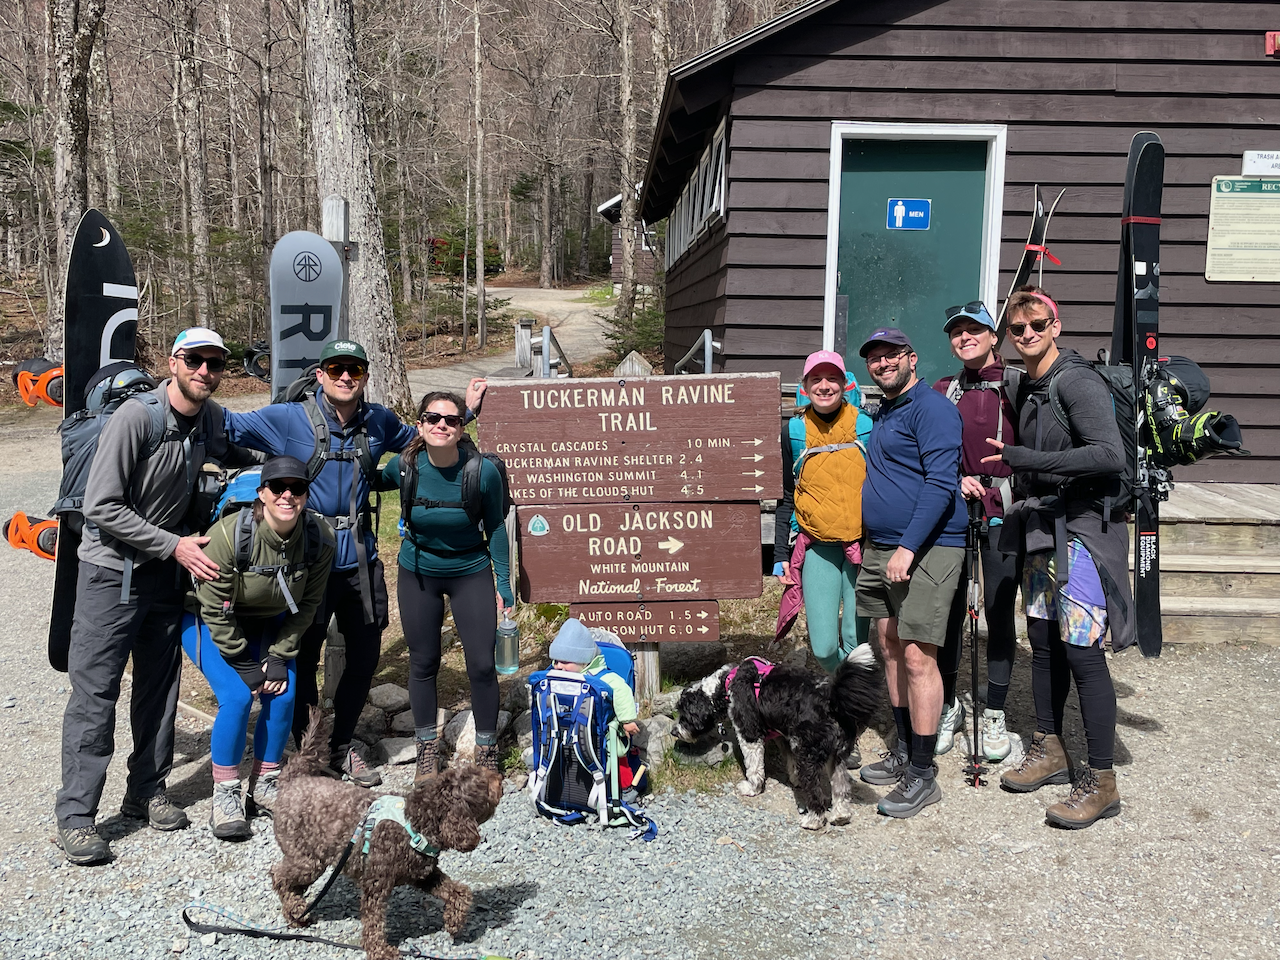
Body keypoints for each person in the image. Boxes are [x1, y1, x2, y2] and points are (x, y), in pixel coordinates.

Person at [222, 339, 485, 788]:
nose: (346, 376)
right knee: (302, 659)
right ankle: (308, 746)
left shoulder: (378, 420)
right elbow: (228, 426)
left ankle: (341, 746)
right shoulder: (289, 418)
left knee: (364, 657)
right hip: (305, 562)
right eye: (337, 368)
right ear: (321, 374)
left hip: (359, 560)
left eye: (355, 369)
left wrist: (469, 412)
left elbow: (429, 435)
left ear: (364, 375)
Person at [56, 328, 250, 865]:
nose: (205, 370)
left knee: (159, 690)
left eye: (215, 361)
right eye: (195, 360)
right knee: (96, 693)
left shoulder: (209, 418)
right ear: (173, 363)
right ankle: (76, 816)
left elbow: (245, 447)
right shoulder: (136, 418)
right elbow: (101, 505)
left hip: (165, 572)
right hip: (110, 573)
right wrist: (174, 546)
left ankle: (146, 790)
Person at [982, 286, 1135, 829]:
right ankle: (1049, 748)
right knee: (1044, 646)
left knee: (1083, 655)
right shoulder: (1030, 384)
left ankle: (1100, 782)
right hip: (1043, 530)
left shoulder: (1075, 380)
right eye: (1017, 328)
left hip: (1083, 536)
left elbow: (1108, 454)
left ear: (1056, 325)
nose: (1026, 335)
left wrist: (1028, 458)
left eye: (1036, 325)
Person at [181, 456, 335, 839]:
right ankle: (227, 792)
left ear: (306, 494)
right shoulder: (228, 537)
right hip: (209, 621)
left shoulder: (320, 538)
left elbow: (309, 605)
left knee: (283, 695)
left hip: (271, 623)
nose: (287, 495)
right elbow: (214, 610)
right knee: (236, 696)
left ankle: (265, 782)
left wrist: (280, 656)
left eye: (296, 488)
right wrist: (246, 664)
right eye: (277, 488)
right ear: (262, 494)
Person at [854, 327, 967, 819]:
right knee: (890, 646)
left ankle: (923, 774)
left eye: (890, 355)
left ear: (912, 357)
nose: (882, 364)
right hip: (882, 548)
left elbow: (941, 483)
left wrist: (907, 547)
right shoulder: (886, 410)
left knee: (920, 656)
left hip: (927, 549)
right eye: (874, 358)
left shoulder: (933, 408)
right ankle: (903, 748)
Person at [380, 390, 512, 780]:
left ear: (461, 426)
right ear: (419, 425)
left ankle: (486, 750)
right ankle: (426, 751)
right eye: (432, 418)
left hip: (470, 569)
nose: (441, 425)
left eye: (451, 420)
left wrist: (503, 582)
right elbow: (365, 480)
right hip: (418, 570)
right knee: (423, 662)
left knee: (483, 664)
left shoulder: (482, 471)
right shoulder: (405, 467)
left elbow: (497, 527)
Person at [933, 302, 1023, 761]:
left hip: (1003, 511)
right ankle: (948, 706)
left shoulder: (1017, 385)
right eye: (957, 333)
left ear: (993, 335)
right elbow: (927, 450)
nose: (965, 338)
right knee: (948, 613)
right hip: (954, 511)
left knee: (998, 610)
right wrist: (952, 479)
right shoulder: (943, 390)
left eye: (974, 330)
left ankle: (995, 713)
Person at [773, 350, 871, 675]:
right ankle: (850, 684)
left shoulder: (867, 426)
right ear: (805, 385)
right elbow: (787, 495)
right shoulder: (794, 431)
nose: (824, 386)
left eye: (832, 379)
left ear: (845, 384)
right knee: (825, 647)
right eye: (816, 379)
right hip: (818, 548)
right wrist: (779, 554)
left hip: (863, 547)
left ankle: (851, 703)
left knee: (856, 640)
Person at [547, 618, 641, 798]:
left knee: (616, 754)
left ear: (583, 661)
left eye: (565, 662)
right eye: (556, 661)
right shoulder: (559, 675)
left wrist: (627, 720)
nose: (558, 666)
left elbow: (622, 693)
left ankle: (624, 787)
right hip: (568, 727)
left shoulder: (604, 678)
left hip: (602, 729)